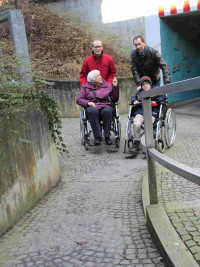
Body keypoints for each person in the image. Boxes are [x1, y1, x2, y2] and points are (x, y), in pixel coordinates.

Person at [76, 70, 119, 146]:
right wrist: (88, 103)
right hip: (92, 107)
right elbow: (78, 99)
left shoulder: (107, 85)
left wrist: (115, 86)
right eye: (98, 76)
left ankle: (107, 136)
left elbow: (115, 99)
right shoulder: (85, 87)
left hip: (105, 105)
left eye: (100, 75)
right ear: (92, 80)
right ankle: (97, 137)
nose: (100, 77)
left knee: (107, 111)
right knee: (92, 111)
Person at [130, 76, 166, 153]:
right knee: (136, 124)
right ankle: (137, 141)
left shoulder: (155, 92)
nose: (145, 85)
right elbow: (133, 98)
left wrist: (157, 101)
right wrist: (134, 101)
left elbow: (163, 98)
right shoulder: (140, 93)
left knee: (148, 125)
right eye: (143, 84)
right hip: (140, 111)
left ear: (150, 85)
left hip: (151, 112)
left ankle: (149, 144)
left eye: (146, 84)